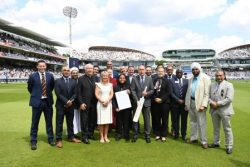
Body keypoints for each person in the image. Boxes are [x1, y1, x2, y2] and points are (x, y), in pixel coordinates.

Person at [27, 59, 55, 150]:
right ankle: (33, 141)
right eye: (40, 66)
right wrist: (37, 95)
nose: (42, 67)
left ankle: (50, 139)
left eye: (43, 66)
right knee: (35, 123)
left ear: (45, 66)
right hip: (37, 102)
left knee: (49, 122)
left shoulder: (50, 76)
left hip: (47, 102)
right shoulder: (32, 76)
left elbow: (51, 87)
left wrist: (45, 94)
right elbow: (30, 88)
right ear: (37, 66)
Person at [185, 62, 211, 149]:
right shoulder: (191, 79)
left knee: (201, 123)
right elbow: (188, 92)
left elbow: (207, 94)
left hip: (200, 104)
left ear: (199, 69)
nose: (195, 71)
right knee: (193, 122)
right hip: (191, 102)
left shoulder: (205, 78)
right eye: (193, 69)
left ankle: (204, 141)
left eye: (196, 69)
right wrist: (186, 104)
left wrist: (203, 105)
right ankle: (194, 138)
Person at [208, 70, 234, 154]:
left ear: (224, 75)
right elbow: (207, 97)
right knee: (216, 128)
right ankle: (216, 143)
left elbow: (229, 99)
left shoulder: (229, 85)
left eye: (220, 75)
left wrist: (217, 104)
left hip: (225, 110)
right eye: (217, 76)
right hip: (214, 110)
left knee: (227, 129)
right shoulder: (212, 85)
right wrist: (212, 103)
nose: (218, 77)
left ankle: (229, 146)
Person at [54, 66, 81, 148]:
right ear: (62, 71)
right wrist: (66, 101)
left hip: (70, 106)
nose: (66, 71)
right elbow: (58, 94)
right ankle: (58, 139)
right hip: (61, 105)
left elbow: (75, 93)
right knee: (59, 123)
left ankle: (71, 137)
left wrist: (70, 101)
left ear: (69, 72)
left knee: (70, 122)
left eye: (68, 70)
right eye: (64, 70)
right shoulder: (57, 81)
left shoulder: (73, 81)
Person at [131, 65, 154, 143]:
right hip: (137, 103)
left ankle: (147, 135)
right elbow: (133, 90)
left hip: (146, 103)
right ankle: (135, 134)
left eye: (142, 69)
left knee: (147, 120)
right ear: (138, 70)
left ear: (145, 70)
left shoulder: (149, 79)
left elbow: (152, 90)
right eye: (140, 69)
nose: (141, 71)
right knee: (135, 119)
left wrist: (147, 93)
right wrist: (136, 100)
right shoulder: (134, 79)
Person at [77, 64, 97, 144]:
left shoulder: (96, 78)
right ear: (85, 70)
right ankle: (84, 136)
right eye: (88, 68)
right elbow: (78, 92)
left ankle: (90, 134)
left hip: (94, 103)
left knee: (92, 120)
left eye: (91, 68)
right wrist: (81, 103)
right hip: (85, 103)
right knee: (84, 120)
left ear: (93, 69)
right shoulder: (81, 79)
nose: (89, 70)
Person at [151, 67, 171, 142]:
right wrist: (155, 98)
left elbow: (168, 92)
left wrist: (161, 99)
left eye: (162, 71)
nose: (160, 72)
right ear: (156, 71)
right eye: (159, 71)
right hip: (155, 103)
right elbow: (152, 91)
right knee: (157, 119)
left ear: (164, 72)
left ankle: (163, 134)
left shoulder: (167, 81)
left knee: (165, 119)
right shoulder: (153, 80)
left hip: (164, 103)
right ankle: (157, 134)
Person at [95, 71, 114, 143]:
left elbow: (111, 94)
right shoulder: (98, 84)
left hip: (108, 104)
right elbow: (96, 94)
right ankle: (101, 136)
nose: (105, 77)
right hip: (100, 104)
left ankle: (106, 136)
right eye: (104, 76)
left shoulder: (110, 85)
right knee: (101, 121)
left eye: (106, 76)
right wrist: (102, 101)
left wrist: (107, 101)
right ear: (101, 76)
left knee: (107, 121)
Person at [170, 69, 189, 140]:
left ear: (182, 73)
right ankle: (176, 134)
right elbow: (171, 92)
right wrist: (178, 100)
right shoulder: (171, 81)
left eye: (180, 72)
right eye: (178, 72)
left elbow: (188, 92)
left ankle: (184, 134)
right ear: (176, 73)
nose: (179, 73)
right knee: (175, 120)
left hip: (184, 104)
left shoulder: (186, 81)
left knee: (184, 120)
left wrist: (184, 100)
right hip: (175, 104)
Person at [113, 74, 132, 142]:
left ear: (125, 79)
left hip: (126, 107)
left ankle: (126, 135)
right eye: (120, 78)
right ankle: (118, 134)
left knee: (126, 121)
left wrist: (130, 92)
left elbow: (131, 96)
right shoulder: (115, 86)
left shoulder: (128, 86)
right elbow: (113, 98)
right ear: (118, 79)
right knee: (119, 121)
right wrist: (115, 107)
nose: (122, 79)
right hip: (118, 107)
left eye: (123, 78)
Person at [165, 64, 177, 136]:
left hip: (174, 102)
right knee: (165, 117)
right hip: (165, 101)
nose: (169, 71)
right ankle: (166, 129)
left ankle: (173, 130)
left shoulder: (176, 78)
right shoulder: (163, 77)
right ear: (166, 70)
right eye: (168, 70)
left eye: (171, 70)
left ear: (172, 70)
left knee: (174, 117)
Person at [70, 67, 81, 137]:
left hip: (78, 103)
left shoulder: (79, 80)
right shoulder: (69, 81)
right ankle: (71, 133)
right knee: (72, 119)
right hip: (71, 103)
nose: (75, 74)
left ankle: (75, 132)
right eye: (73, 73)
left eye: (76, 73)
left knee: (77, 119)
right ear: (71, 74)